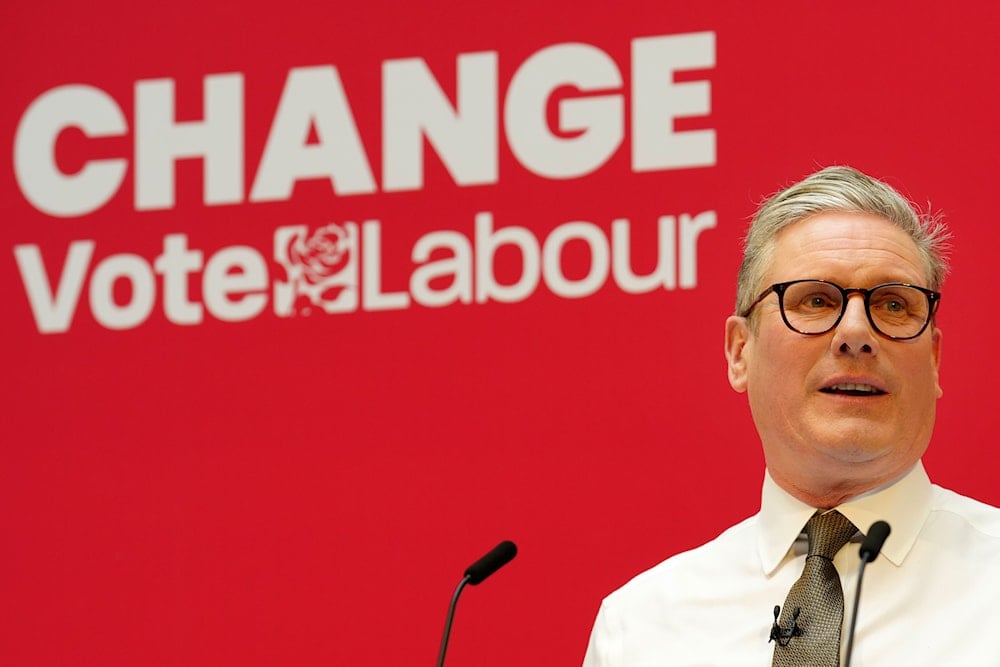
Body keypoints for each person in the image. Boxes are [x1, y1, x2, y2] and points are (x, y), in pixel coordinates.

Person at [581, 166, 1000, 666]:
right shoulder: (641, 628)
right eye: (816, 300)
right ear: (740, 352)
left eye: (893, 305)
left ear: (933, 359)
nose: (856, 332)